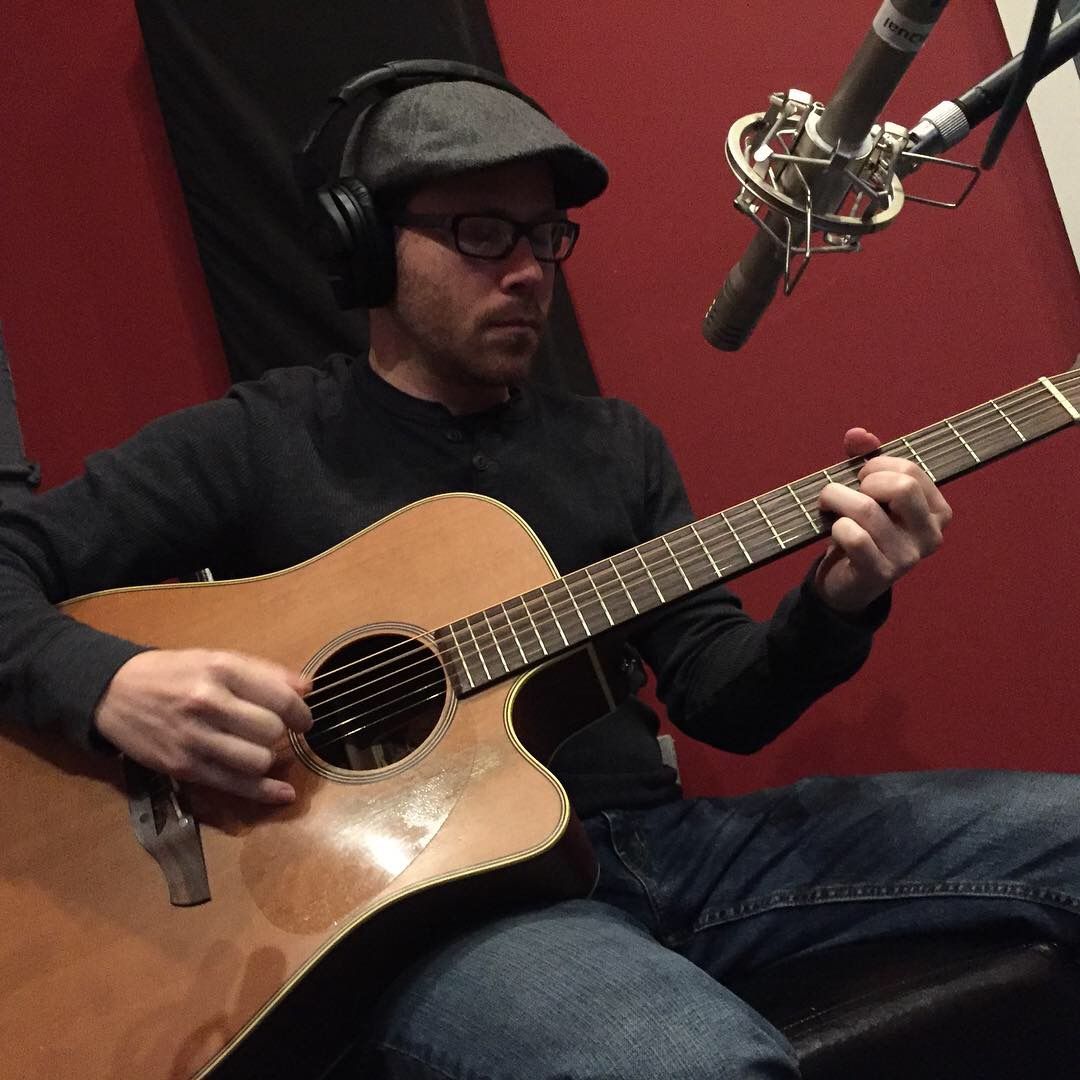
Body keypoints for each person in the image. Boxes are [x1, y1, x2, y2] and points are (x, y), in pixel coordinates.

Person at [0, 73, 1077, 1079]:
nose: (526, 270)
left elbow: (723, 701)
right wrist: (109, 686)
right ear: (367, 249)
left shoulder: (613, 444)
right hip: (449, 918)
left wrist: (840, 602)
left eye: (545, 236)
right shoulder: (262, 442)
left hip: (674, 850)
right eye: (482, 233)